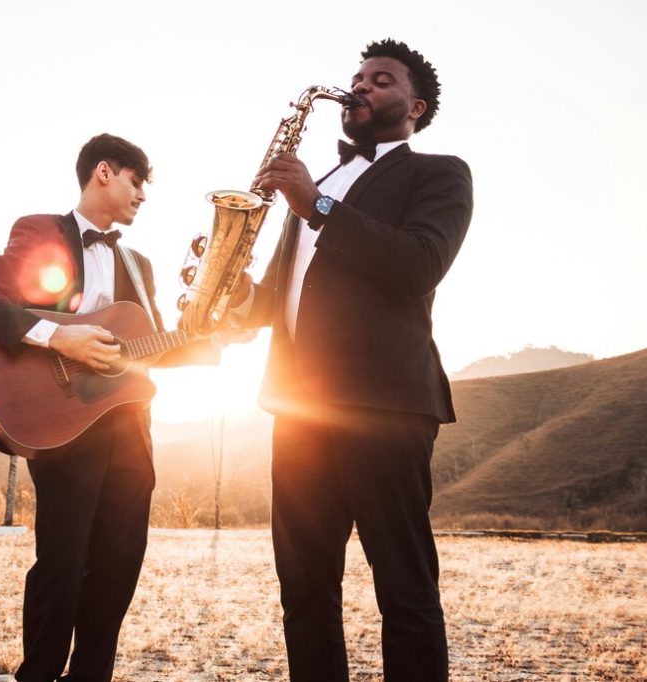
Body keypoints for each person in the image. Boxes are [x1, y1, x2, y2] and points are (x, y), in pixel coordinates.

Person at [230, 39, 473, 681]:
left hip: (383, 407)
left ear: (414, 106)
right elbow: (288, 289)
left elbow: (420, 263)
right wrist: (238, 299)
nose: (361, 87)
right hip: (299, 405)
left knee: (404, 588)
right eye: (358, 77)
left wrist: (316, 206)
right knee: (305, 588)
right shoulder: (325, 180)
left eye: (381, 80)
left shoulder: (439, 172)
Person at [0, 133, 216, 682]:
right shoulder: (40, 230)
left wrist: (216, 337)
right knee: (63, 563)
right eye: (136, 180)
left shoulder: (139, 264)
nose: (143, 194)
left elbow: (140, 350)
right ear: (104, 171)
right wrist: (58, 337)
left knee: (120, 566)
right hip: (63, 424)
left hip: (132, 431)